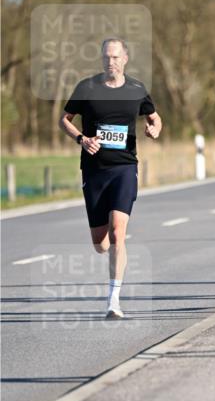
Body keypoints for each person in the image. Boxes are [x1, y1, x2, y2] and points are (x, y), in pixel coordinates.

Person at [59, 38, 162, 319]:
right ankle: (111, 255)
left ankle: (113, 299)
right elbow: (64, 119)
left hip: (125, 168)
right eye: (106, 57)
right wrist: (81, 138)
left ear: (125, 59)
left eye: (115, 57)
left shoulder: (137, 89)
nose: (110, 62)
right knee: (101, 243)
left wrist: (154, 129)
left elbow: (155, 117)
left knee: (118, 232)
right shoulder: (87, 87)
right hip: (94, 171)